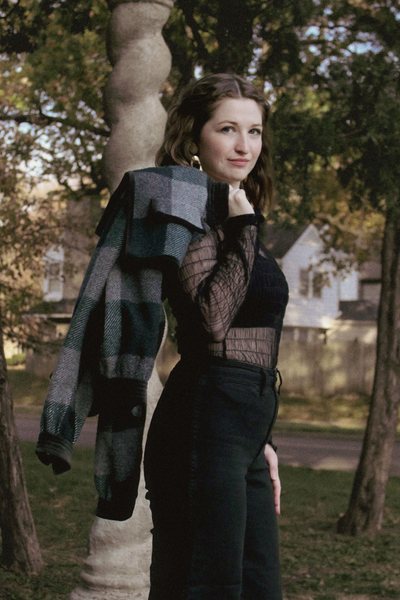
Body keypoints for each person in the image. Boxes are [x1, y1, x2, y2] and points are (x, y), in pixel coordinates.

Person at [143, 73, 289, 600]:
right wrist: (244, 230)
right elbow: (209, 323)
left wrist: (263, 439)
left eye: (254, 131)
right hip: (204, 416)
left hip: (246, 425)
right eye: (228, 128)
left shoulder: (234, 216)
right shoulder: (183, 213)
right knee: (207, 584)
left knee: (258, 585)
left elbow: (259, 331)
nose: (244, 145)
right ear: (193, 138)